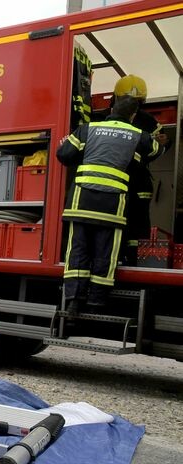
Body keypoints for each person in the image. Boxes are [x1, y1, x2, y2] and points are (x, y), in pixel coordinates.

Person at [57, 96, 160, 313]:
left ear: (111, 108)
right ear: (133, 116)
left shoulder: (87, 129)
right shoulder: (137, 135)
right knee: (106, 253)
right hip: (112, 207)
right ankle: (96, 303)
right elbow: (155, 151)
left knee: (78, 251)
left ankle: (74, 301)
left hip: (81, 203)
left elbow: (64, 154)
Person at [108, 75, 172, 265]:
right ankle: (128, 259)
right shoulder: (143, 120)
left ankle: (129, 259)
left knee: (134, 222)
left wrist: (163, 144)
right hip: (126, 181)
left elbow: (163, 144)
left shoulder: (110, 118)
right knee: (132, 222)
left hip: (127, 182)